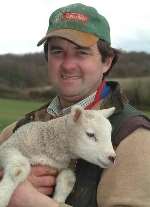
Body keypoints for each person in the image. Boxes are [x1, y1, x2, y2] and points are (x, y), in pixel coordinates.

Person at [0, 3, 150, 207]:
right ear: (47, 58)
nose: (68, 64)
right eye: (57, 51)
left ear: (106, 61)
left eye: (81, 52)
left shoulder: (133, 138)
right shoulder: (16, 131)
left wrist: (29, 201)